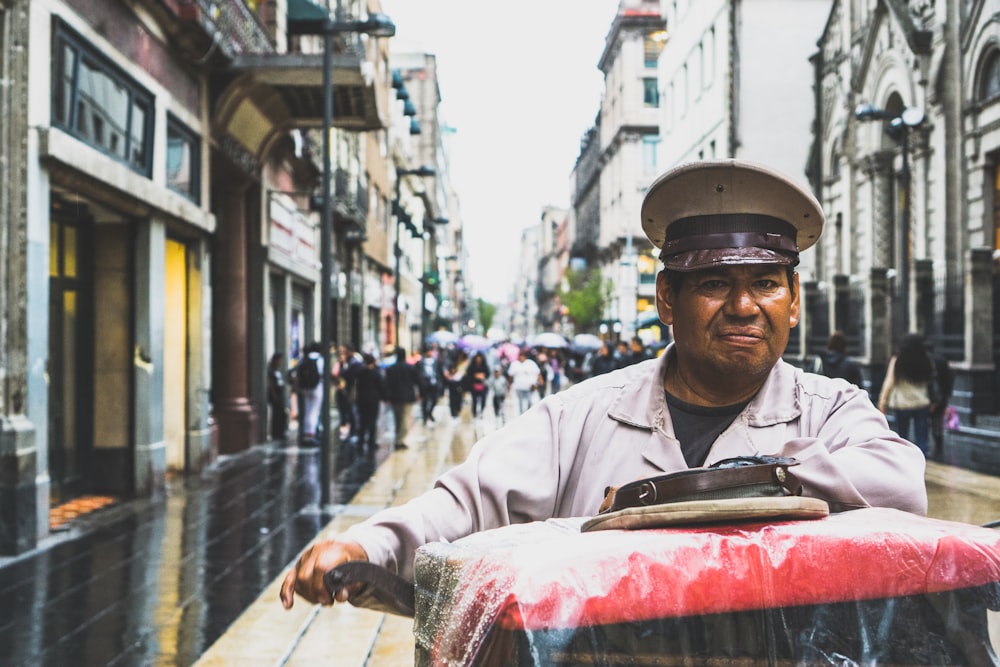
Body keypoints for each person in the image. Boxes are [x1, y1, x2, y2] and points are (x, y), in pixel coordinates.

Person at [280, 159, 927, 611]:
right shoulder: (581, 417)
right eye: (712, 282)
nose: (742, 304)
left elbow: (901, 483)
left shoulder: (830, 411)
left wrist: (757, 480)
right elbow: (464, 501)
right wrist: (367, 542)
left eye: (764, 282)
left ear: (792, 302)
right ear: (666, 299)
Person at [878, 333, 935, 456]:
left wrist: (883, 402)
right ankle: (922, 459)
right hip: (921, 403)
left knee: (902, 436)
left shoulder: (898, 360)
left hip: (902, 404)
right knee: (922, 437)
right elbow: (931, 381)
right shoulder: (925, 359)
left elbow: (889, 382)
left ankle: (904, 460)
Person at [384, 347, 421, 450]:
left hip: (395, 397)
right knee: (404, 419)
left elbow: (387, 384)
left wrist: (386, 397)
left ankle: (398, 439)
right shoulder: (410, 368)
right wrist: (420, 393)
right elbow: (418, 381)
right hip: (407, 397)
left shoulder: (391, 369)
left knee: (397, 419)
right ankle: (400, 440)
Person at [926, 340, 954, 461]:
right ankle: (938, 441)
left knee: (926, 420)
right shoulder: (942, 359)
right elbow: (949, 377)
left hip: (928, 397)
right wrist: (948, 394)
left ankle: (928, 444)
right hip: (942, 395)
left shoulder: (925, 360)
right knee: (938, 419)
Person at [353, 353, 386, 452]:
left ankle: (361, 441)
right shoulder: (376, 373)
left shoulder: (360, 372)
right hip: (373, 400)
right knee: (372, 421)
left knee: (362, 421)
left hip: (361, 399)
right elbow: (381, 386)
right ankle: (371, 442)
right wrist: (384, 397)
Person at [296, 343, 323, 445]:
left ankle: (307, 433)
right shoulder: (319, 359)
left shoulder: (303, 359)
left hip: (305, 388)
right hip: (316, 387)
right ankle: (311, 434)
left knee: (307, 410)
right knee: (314, 411)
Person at [507, 349, 542, 415]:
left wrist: (540, 382)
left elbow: (538, 373)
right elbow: (510, 376)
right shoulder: (515, 364)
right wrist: (509, 385)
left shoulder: (531, 363)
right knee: (520, 402)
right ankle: (521, 415)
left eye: (522, 356)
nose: (521, 358)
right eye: (520, 356)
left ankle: (528, 414)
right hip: (519, 387)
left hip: (529, 387)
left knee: (529, 401)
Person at [266, 352, 289, 441]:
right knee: (277, 414)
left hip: (280, 394)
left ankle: (280, 432)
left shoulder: (277, 370)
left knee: (282, 414)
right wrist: (274, 394)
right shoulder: (271, 370)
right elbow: (270, 384)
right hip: (275, 396)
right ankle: (276, 433)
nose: (280, 362)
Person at [418, 346, 442, 425]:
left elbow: (439, 372)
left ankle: (429, 413)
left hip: (434, 383)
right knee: (425, 401)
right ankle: (425, 417)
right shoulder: (421, 362)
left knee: (434, 400)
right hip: (424, 384)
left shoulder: (435, 361)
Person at [443, 350, 469, 423]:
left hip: (459, 388)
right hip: (452, 389)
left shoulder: (463, 367)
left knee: (458, 401)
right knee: (452, 402)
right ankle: (453, 414)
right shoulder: (453, 361)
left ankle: (456, 413)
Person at [465, 352, 491, 419]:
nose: (478, 360)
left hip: (483, 385)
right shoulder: (471, 366)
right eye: (477, 358)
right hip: (474, 385)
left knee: (483, 400)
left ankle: (481, 412)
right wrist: (475, 376)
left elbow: (488, 374)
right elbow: (468, 374)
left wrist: (483, 376)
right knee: (474, 401)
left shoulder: (485, 366)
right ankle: (474, 414)